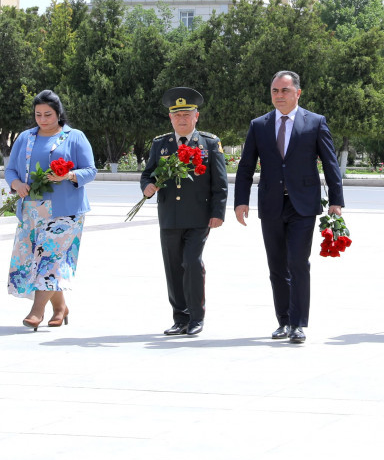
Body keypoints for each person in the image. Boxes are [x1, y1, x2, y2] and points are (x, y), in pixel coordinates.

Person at [234, 70, 344, 344]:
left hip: (303, 205)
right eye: (275, 91)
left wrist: (336, 201)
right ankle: (283, 321)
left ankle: (298, 323)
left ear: (298, 93)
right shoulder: (259, 125)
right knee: (276, 266)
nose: (279, 96)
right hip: (271, 204)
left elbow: (330, 164)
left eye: (284, 90)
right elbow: (246, 165)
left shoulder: (315, 123)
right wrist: (240, 200)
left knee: (297, 263)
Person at [140, 87, 228, 337]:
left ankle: (196, 317)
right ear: (170, 118)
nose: (182, 119)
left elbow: (219, 183)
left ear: (196, 116)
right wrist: (147, 186)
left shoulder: (210, 143)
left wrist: (218, 212)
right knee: (173, 267)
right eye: (177, 115)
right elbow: (148, 173)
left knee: (191, 262)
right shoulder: (161, 144)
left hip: (199, 216)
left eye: (187, 114)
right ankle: (180, 318)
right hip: (170, 216)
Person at [6, 90, 96, 330]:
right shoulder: (25, 138)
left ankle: (37, 311)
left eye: (48, 114)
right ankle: (60, 307)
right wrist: (16, 184)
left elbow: (91, 170)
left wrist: (67, 175)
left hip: (65, 211)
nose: (43, 119)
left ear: (59, 114)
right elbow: (10, 170)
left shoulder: (74, 137)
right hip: (32, 209)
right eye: (38, 115)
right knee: (35, 259)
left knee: (50, 257)